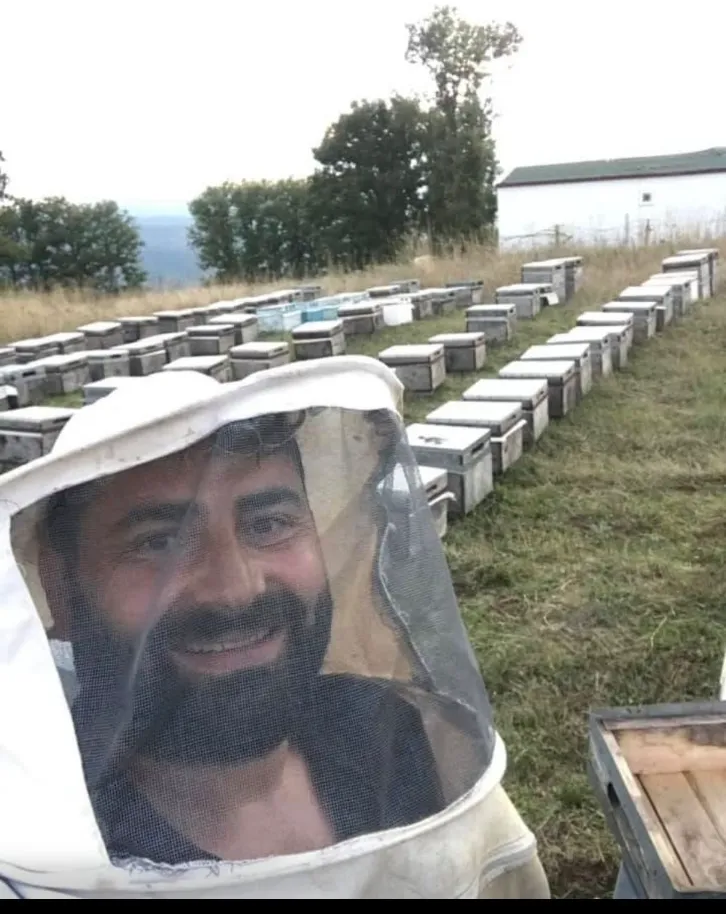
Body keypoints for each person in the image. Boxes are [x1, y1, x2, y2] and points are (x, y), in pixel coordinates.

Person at [0, 359, 550, 899]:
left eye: (269, 524)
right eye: (159, 543)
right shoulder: (44, 840)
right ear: (60, 587)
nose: (235, 589)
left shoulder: (403, 738)